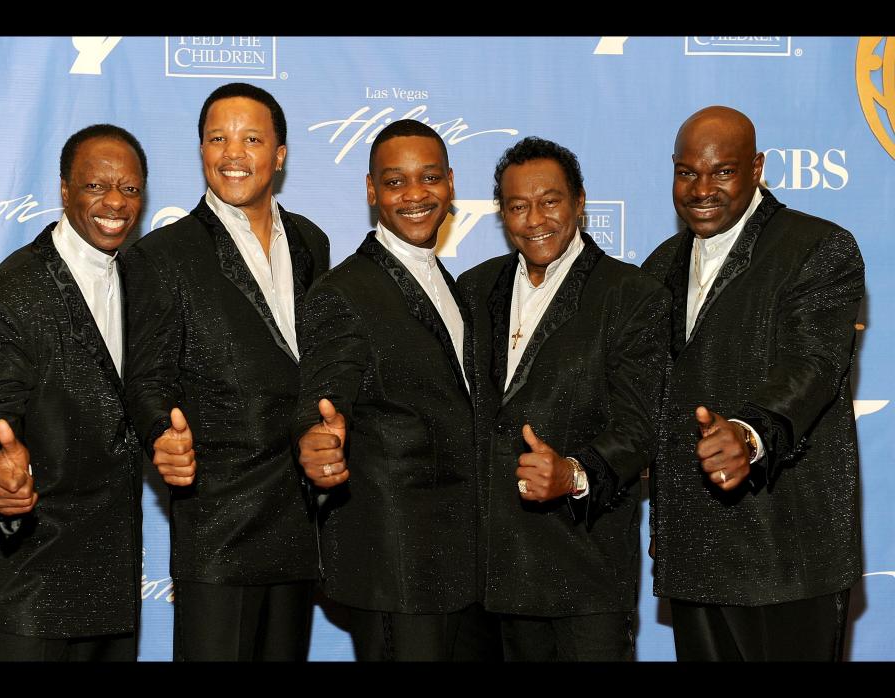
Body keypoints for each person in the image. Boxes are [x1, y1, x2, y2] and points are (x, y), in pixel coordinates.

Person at [642, 105, 864, 661]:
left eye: (722, 171)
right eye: (686, 171)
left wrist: (750, 433)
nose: (700, 188)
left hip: (786, 551)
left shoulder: (817, 247)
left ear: (758, 168)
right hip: (693, 550)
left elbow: (812, 365)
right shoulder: (659, 265)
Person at [123, 83, 329, 661]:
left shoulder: (314, 242)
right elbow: (145, 379)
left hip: (300, 517)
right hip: (218, 519)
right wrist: (161, 432)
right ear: (200, 150)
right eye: (217, 138)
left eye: (251, 139)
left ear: (280, 154)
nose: (232, 153)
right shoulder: (163, 254)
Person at [457, 136, 670, 661]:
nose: (535, 219)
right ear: (502, 213)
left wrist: (575, 472)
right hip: (486, 578)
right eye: (518, 206)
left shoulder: (630, 295)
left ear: (579, 201)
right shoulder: (473, 288)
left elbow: (641, 429)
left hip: (583, 570)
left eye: (550, 201)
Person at [294, 119, 485, 661]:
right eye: (396, 182)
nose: (416, 194)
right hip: (397, 565)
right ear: (371, 190)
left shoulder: (453, 285)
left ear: (450, 182)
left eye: (429, 177)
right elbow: (323, 395)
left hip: (462, 565)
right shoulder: (344, 291)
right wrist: (315, 439)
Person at [0, 124, 148, 661]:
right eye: (96, 187)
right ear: (65, 190)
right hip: (33, 579)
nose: (115, 201)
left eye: (130, 189)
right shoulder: (11, 291)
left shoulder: (145, 279)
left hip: (114, 581)